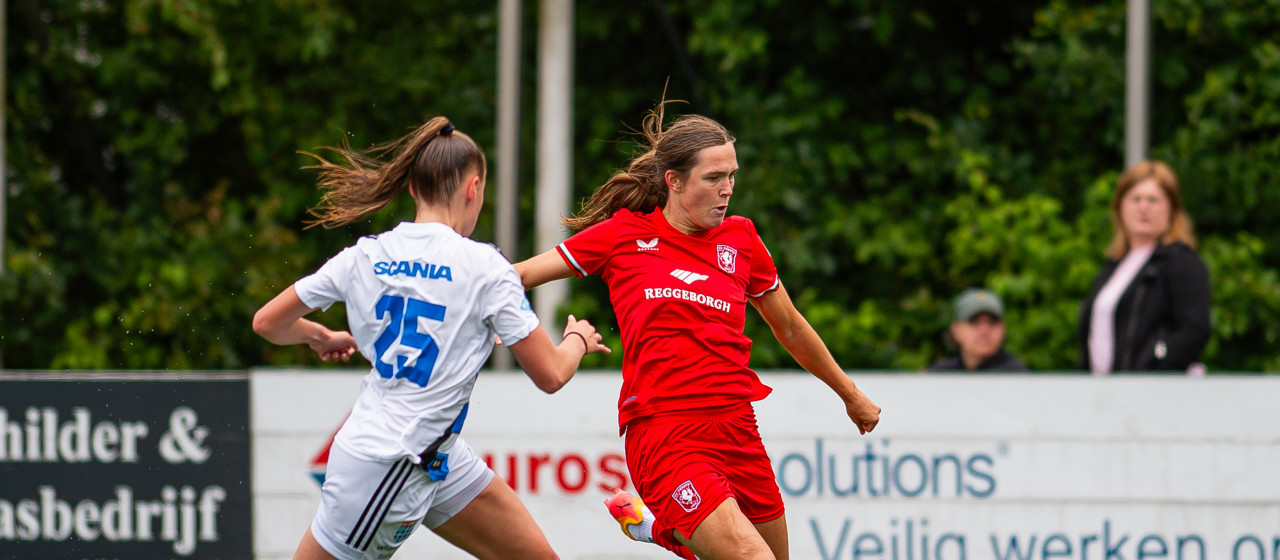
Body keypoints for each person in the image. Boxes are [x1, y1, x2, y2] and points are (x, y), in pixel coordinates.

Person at [514, 104, 881, 560]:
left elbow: (788, 326)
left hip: (737, 426)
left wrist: (850, 393)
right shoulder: (622, 235)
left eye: (732, 176)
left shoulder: (742, 239)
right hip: (664, 432)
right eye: (713, 178)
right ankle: (665, 528)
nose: (727, 190)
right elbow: (520, 275)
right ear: (673, 180)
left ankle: (656, 530)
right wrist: (471, 302)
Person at [252, 116, 610, 560]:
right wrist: (576, 337)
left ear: (412, 189)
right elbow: (552, 374)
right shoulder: (486, 267)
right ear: (473, 188)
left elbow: (268, 323)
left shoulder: (364, 255)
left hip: (435, 455)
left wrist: (318, 335)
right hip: (388, 466)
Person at [1077, 159, 1211, 375]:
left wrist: (1156, 376)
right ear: (1120, 206)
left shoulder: (1180, 262)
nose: (1143, 207)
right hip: (1105, 394)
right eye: (1135, 199)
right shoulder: (1112, 267)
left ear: (1172, 209)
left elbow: (1194, 329)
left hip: (1154, 395)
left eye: (1153, 200)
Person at [927, 288, 1027, 372]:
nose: (984, 331)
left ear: (1003, 328)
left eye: (992, 322)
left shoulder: (1015, 376)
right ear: (956, 329)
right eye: (974, 322)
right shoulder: (941, 374)